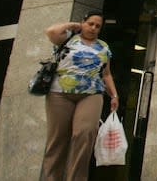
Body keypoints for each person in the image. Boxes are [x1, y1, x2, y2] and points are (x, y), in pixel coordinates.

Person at [42, 10, 119, 181]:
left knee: (84, 134)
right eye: (90, 23)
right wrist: (73, 26)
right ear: (83, 22)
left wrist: (114, 95)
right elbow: (51, 31)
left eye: (97, 26)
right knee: (58, 139)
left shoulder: (103, 47)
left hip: (91, 94)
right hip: (60, 94)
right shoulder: (68, 38)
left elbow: (106, 74)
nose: (93, 28)